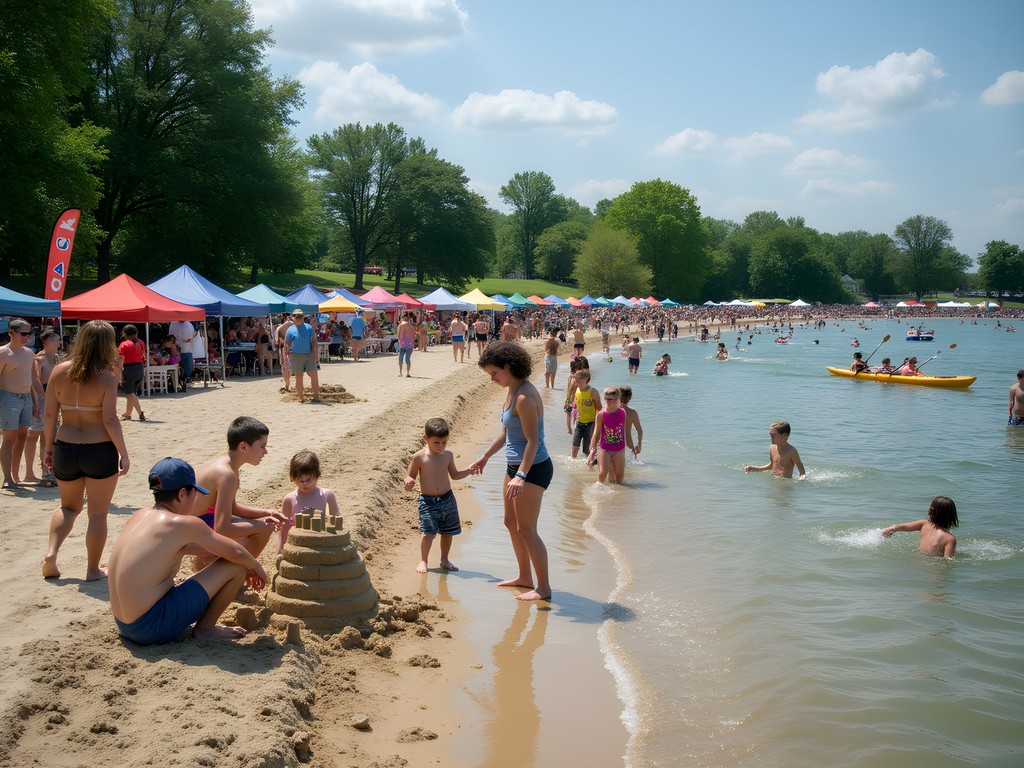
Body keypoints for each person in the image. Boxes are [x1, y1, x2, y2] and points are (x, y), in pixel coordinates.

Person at [107, 457, 268, 644]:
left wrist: (224, 554)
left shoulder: (140, 516)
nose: (195, 500)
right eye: (195, 494)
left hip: (125, 625)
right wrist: (256, 567)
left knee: (233, 558)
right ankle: (206, 630)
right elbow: (237, 553)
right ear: (183, 494)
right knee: (237, 565)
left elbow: (193, 549)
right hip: (152, 627)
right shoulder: (181, 523)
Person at [41, 320, 130, 579]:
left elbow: (49, 416)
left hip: (65, 446)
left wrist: (48, 449)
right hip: (99, 449)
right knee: (98, 513)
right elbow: (110, 419)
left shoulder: (58, 371)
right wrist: (123, 453)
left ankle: (51, 553)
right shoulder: (106, 377)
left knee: (68, 507)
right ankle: (92, 570)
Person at [469, 341, 553, 602]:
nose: (492, 379)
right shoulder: (512, 390)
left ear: (508, 367)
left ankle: (544, 588)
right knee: (511, 523)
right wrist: (484, 456)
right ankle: (524, 577)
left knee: (527, 529)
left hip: (533, 468)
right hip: (515, 466)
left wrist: (522, 475)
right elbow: (507, 432)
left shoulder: (526, 396)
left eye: (494, 373)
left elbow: (532, 441)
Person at [193, 416, 287, 561]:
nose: (266, 452)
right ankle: (239, 573)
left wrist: (268, 513)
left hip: (197, 523)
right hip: (194, 531)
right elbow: (222, 528)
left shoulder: (225, 463)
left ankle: (206, 564)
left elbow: (232, 508)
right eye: (262, 446)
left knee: (259, 525)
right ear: (243, 447)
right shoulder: (227, 475)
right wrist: (262, 524)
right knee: (260, 531)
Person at [404, 417, 477, 573]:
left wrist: (469, 470)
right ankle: (423, 560)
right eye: (437, 442)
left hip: (447, 498)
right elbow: (410, 475)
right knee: (428, 533)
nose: (441, 446)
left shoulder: (448, 456)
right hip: (428, 501)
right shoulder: (419, 457)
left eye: (444, 442)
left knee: (448, 532)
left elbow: (455, 475)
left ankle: (444, 560)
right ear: (426, 438)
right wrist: (409, 481)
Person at [1, 318, 45, 489]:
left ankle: (15, 475)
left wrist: (38, 400)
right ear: (11, 333)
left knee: (22, 437)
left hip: (26, 398)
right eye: (24, 333)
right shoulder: (3, 353)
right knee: (9, 439)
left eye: (30, 333)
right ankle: (7, 478)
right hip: (8, 398)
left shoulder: (29, 353)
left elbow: (33, 379)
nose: (28, 337)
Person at [278, 449, 339, 553]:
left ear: (317, 475)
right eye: (301, 481)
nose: (305, 484)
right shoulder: (289, 499)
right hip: (299, 543)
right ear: (293, 478)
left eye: (308, 480)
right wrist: (281, 548)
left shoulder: (327, 495)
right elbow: (285, 526)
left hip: (321, 542)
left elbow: (336, 519)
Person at [25, 330, 62, 486]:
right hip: (42, 398)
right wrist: (37, 402)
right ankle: (38, 471)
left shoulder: (57, 357)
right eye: (56, 340)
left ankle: (48, 470)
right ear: (47, 341)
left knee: (51, 436)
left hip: (55, 397)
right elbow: (35, 383)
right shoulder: (39, 358)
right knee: (37, 435)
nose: (59, 342)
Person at [882, 496, 959, 558]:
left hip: (917, 559)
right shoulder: (950, 539)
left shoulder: (923, 524)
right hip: (931, 567)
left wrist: (881, 536)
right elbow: (948, 561)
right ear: (951, 516)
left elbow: (897, 527)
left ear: (931, 511)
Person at [588, 387, 627, 483]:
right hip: (604, 448)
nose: (607, 401)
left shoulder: (622, 412)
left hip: (619, 449)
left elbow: (623, 431)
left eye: (610, 399)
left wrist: (624, 447)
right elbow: (596, 434)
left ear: (617, 399)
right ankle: (596, 493)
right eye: (605, 398)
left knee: (619, 477)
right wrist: (592, 451)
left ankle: (617, 496)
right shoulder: (601, 414)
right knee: (602, 473)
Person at [284, 308, 320, 403]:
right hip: (296, 356)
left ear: (303, 317)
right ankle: (301, 398)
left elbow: (314, 341)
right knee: (299, 377)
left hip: (309, 355)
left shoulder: (309, 328)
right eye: (296, 316)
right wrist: (287, 352)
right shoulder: (290, 330)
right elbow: (286, 342)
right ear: (293, 318)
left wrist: (315, 354)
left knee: (314, 375)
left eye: (300, 316)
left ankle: (316, 397)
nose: (298, 318)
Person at [117, 325, 147, 421]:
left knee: (129, 392)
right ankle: (128, 413)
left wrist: (119, 372)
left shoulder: (124, 344)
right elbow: (143, 356)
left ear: (124, 334)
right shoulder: (141, 342)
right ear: (136, 333)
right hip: (139, 368)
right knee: (132, 392)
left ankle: (140, 412)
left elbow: (120, 358)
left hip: (129, 369)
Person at [571, 369, 601, 459]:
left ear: (586, 379)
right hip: (579, 423)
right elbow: (576, 405)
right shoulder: (577, 390)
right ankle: (573, 470)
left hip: (590, 424)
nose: (576, 379)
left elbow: (599, 408)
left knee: (587, 450)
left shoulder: (592, 391)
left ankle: (591, 468)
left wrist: (597, 425)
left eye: (579, 377)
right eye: (576, 377)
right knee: (574, 447)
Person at [167, 319, 195, 386]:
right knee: (186, 366)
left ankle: (183, 380)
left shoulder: (174, 323)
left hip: (180, 349)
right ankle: (184, 379)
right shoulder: (188, 324)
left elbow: (171, 336)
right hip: (180, 349)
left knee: (182, 367)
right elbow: (191, 337)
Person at [620, 385, 643, 457]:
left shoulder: (612, 410)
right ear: (630, 397)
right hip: (629, 446)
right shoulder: (632, 412)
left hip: (614, 444)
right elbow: (639, 430)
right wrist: (639, 444)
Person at [275, 316, 291, 392]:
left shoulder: (279, 328)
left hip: (285, 349)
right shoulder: (297, 326)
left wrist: (278, 355)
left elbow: (276, 342)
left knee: (285, 368)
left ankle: (287, 385)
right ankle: (299, 385)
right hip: (297, 349)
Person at [397, 312, 416, 377]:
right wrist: (413, 343)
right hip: (410, 345)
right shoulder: (411, 326)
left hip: (402, 344)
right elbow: (414, 335)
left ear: (403, 318)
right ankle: (407, 373)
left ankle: (400, 373)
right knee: (408, 359)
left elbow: (399, 335)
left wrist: (400, 341)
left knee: (400, 358)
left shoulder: (401, 325)